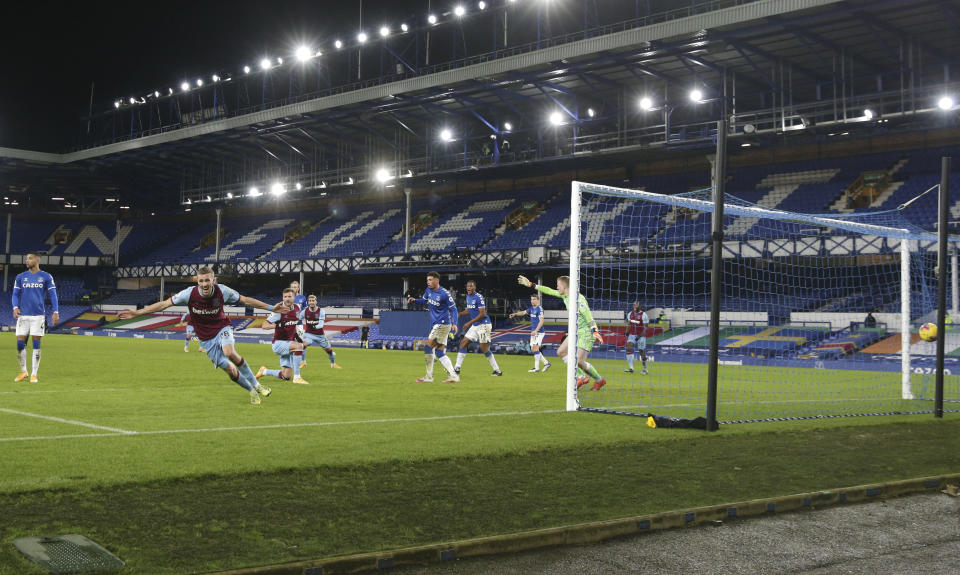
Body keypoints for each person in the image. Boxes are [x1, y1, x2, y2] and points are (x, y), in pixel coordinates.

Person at [119, 266, 280, 405]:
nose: (204, 284)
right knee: (230, 370)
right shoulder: (188, 294)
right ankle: (251, 390)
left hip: (222, 327)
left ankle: (256, 384)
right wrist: (137, 313)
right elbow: (163, 304)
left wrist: (271, 308)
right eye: (201, 281)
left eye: (207, 280)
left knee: (229, 352)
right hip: (206, 338)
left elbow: (246, 300)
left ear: (213, 280)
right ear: (197, 282)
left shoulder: (222, 291)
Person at [517, 274, 605, 390]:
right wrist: (531, 284)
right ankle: (587, 377)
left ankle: (593, 379)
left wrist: (594, 330)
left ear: (565, 286)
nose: (557, 288)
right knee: (561, 352)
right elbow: (548, 290)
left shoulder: (578, 298)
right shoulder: (565, 296)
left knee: (578, 361)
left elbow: (588, 315)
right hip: (575, 331)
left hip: (587, 332)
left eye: (558, 285)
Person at [12, 252, 59, 383]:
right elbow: (15, 294)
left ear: (37, 260)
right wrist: (15, 307)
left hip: (38, 316)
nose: (27, 260)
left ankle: (34, 374)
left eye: (30, 258)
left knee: (36, 344)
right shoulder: (21, 277)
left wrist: (56, 311)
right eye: (26, 258)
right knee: (20, 344)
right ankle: (23, 371)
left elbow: (53, 295)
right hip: (23, 315)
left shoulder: (46, 277)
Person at [407, 271, 459, 383]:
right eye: (427, 280)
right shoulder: (428, 290)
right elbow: (424, 301)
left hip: (443, 324)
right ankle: (454, 376)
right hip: (437, 325)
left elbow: (454, 309)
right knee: (440, 352)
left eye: (430, 280)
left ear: (437, 280)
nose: (428, 282)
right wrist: (415, 300)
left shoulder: (444, 293)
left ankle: (429, 377)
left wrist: (455, 323)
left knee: (428, 347)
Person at [256, 288, 310, 385]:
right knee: (299, 347)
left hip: (288, 343)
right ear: (283, 298)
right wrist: (277, 325)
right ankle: (297, 377)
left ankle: (264, 371)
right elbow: (264, 325)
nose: (287, 299)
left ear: (294, 298)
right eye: (285, 297)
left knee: (286, 376)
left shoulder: (297, 309)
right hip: (278, 344)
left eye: (289, 296)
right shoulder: (279, 310)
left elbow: (292, 325)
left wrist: (297, 336)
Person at [454, 280, 502, 376]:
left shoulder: (479, 297)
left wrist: (469, 323)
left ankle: (497, 371)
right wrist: (460, 314)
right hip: (476, 325)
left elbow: (482, 314)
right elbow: (470, 310)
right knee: (463, 343)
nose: (469, 288)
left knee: (484, 348)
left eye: (471, 286)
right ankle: (456, 369)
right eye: (468, 286)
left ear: (474, 287)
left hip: (484, 324)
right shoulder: (468, 297)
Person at [509, 293, 552, 373]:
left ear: (538, 300)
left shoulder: (540, 309)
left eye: (534, 299)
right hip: (533, 332)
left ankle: (536, 368)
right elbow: (523, 312)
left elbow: (541, 321)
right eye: (531, 299)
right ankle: (546, 363)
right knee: (533, 349)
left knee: (535, 348)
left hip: (539, 332)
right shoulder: (531, 309)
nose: (532, 301)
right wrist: (515, 314)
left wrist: (536, 330)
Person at [299, 294, 342, 370]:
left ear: (316, 302)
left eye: (313, 301)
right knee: (303, 345)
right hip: (309, 334)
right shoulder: (304, 311)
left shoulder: (321, 311)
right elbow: (297, 318)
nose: (311, 302)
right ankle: (303, 362)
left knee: (329, 351)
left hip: (320, 335)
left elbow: (321, 324)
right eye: (310, 301)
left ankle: (333, 364)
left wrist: (315, 326)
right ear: (308, 302)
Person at [625, 302, 649, 374]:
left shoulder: (644, 315)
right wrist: (627, 332)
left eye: (637, 305)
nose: (635, 306)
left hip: (641, 336)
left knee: (642, 352)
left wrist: (639, 336)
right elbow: (629, 325)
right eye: (634, 305)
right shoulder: (630, 314)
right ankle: (631, 368)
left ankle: (645, 369)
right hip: (632, 335)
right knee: (629, 348)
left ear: (639, 306)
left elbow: (646, 328)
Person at [289, 280, 308, 367]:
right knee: (290, 342)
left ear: (298, 288)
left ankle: (303, 361)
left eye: (295, 287)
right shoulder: (288, 297)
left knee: (301, 342)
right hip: (289, 324)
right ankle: (291, 362)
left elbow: (305, 309)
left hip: (299, 324)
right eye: (292, 287)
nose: (293, 288)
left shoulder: (302, 298)